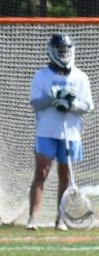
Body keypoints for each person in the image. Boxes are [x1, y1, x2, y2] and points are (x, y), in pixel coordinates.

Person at [27, 33, 94, 230]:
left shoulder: (80, 77)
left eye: (65, 49)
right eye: (59, 50)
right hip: (46, 131)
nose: (63, 53)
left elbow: (88, 106)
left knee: (65, 176)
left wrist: (70, 104)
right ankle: (33, 218)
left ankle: (61, 218)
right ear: (52, 51)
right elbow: (35, 103)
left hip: (71, 134)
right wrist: (53, 99)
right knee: (41, 173)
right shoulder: (41, 75)